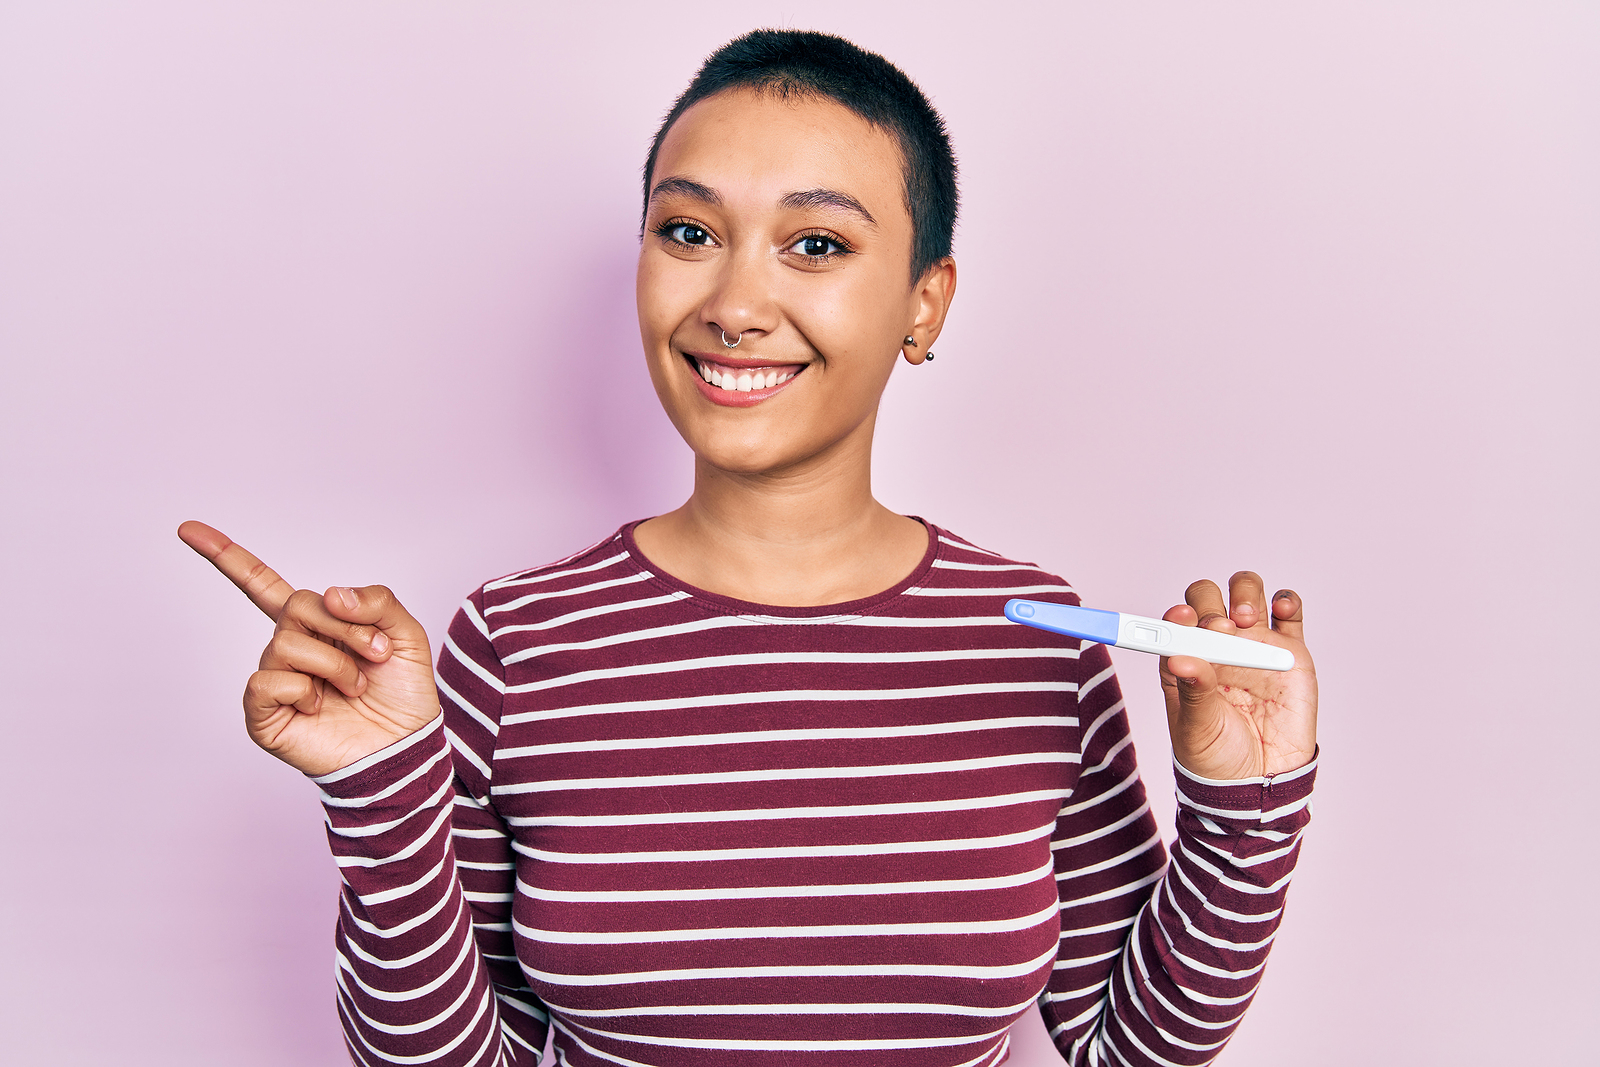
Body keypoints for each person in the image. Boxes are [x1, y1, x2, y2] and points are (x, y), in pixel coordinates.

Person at [180, 28, 1318, 1067]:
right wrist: (377, 794)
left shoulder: (1034, 638)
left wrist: (1244, 811)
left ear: (925, 304)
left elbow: (1130, 1048)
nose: (734, 300)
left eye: (815, 242)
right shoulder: (515, 641)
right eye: (689, 232)